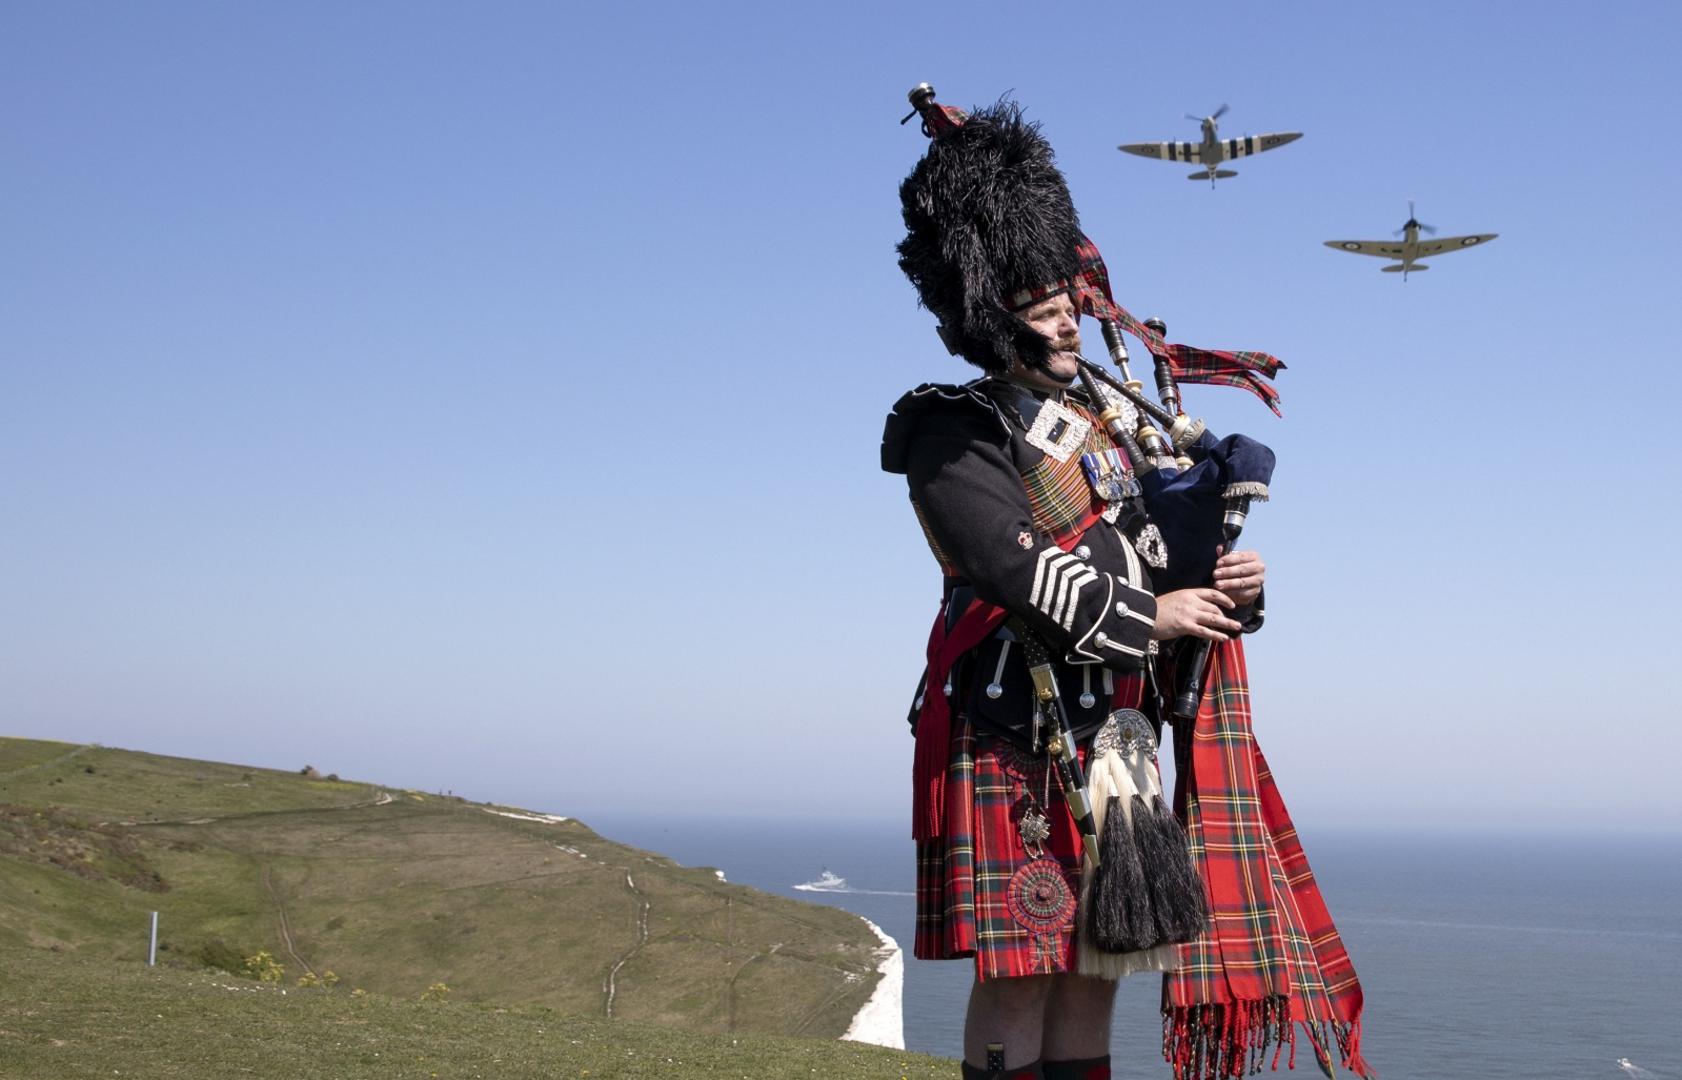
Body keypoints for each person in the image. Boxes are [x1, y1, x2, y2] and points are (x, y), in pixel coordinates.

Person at [881, 101, 1266, 1080]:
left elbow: (1152, 559)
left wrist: (1223, 589)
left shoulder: (1105, 426)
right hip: (1018, 731)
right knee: (1020, 969)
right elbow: (1018, 571)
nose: (1067, 320)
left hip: (1116, 735)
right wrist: (1156, 614)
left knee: (1097, 966)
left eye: (1067, 301)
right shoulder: (950, 431)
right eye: (1040, 306)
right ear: (983, 310)